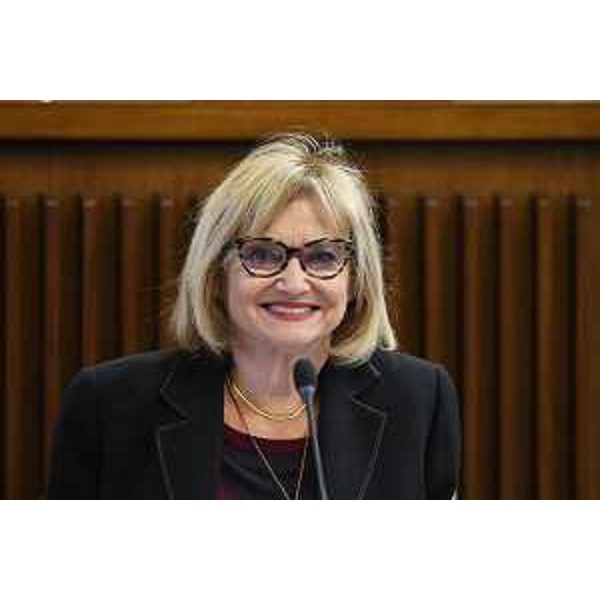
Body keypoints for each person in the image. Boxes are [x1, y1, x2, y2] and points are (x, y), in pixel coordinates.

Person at [45, 133, 460, 500]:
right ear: (215, 274)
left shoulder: (418, 401)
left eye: (322, 257)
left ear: (355, 280)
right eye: (262, 254)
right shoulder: (111, 406)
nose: (294, 282)